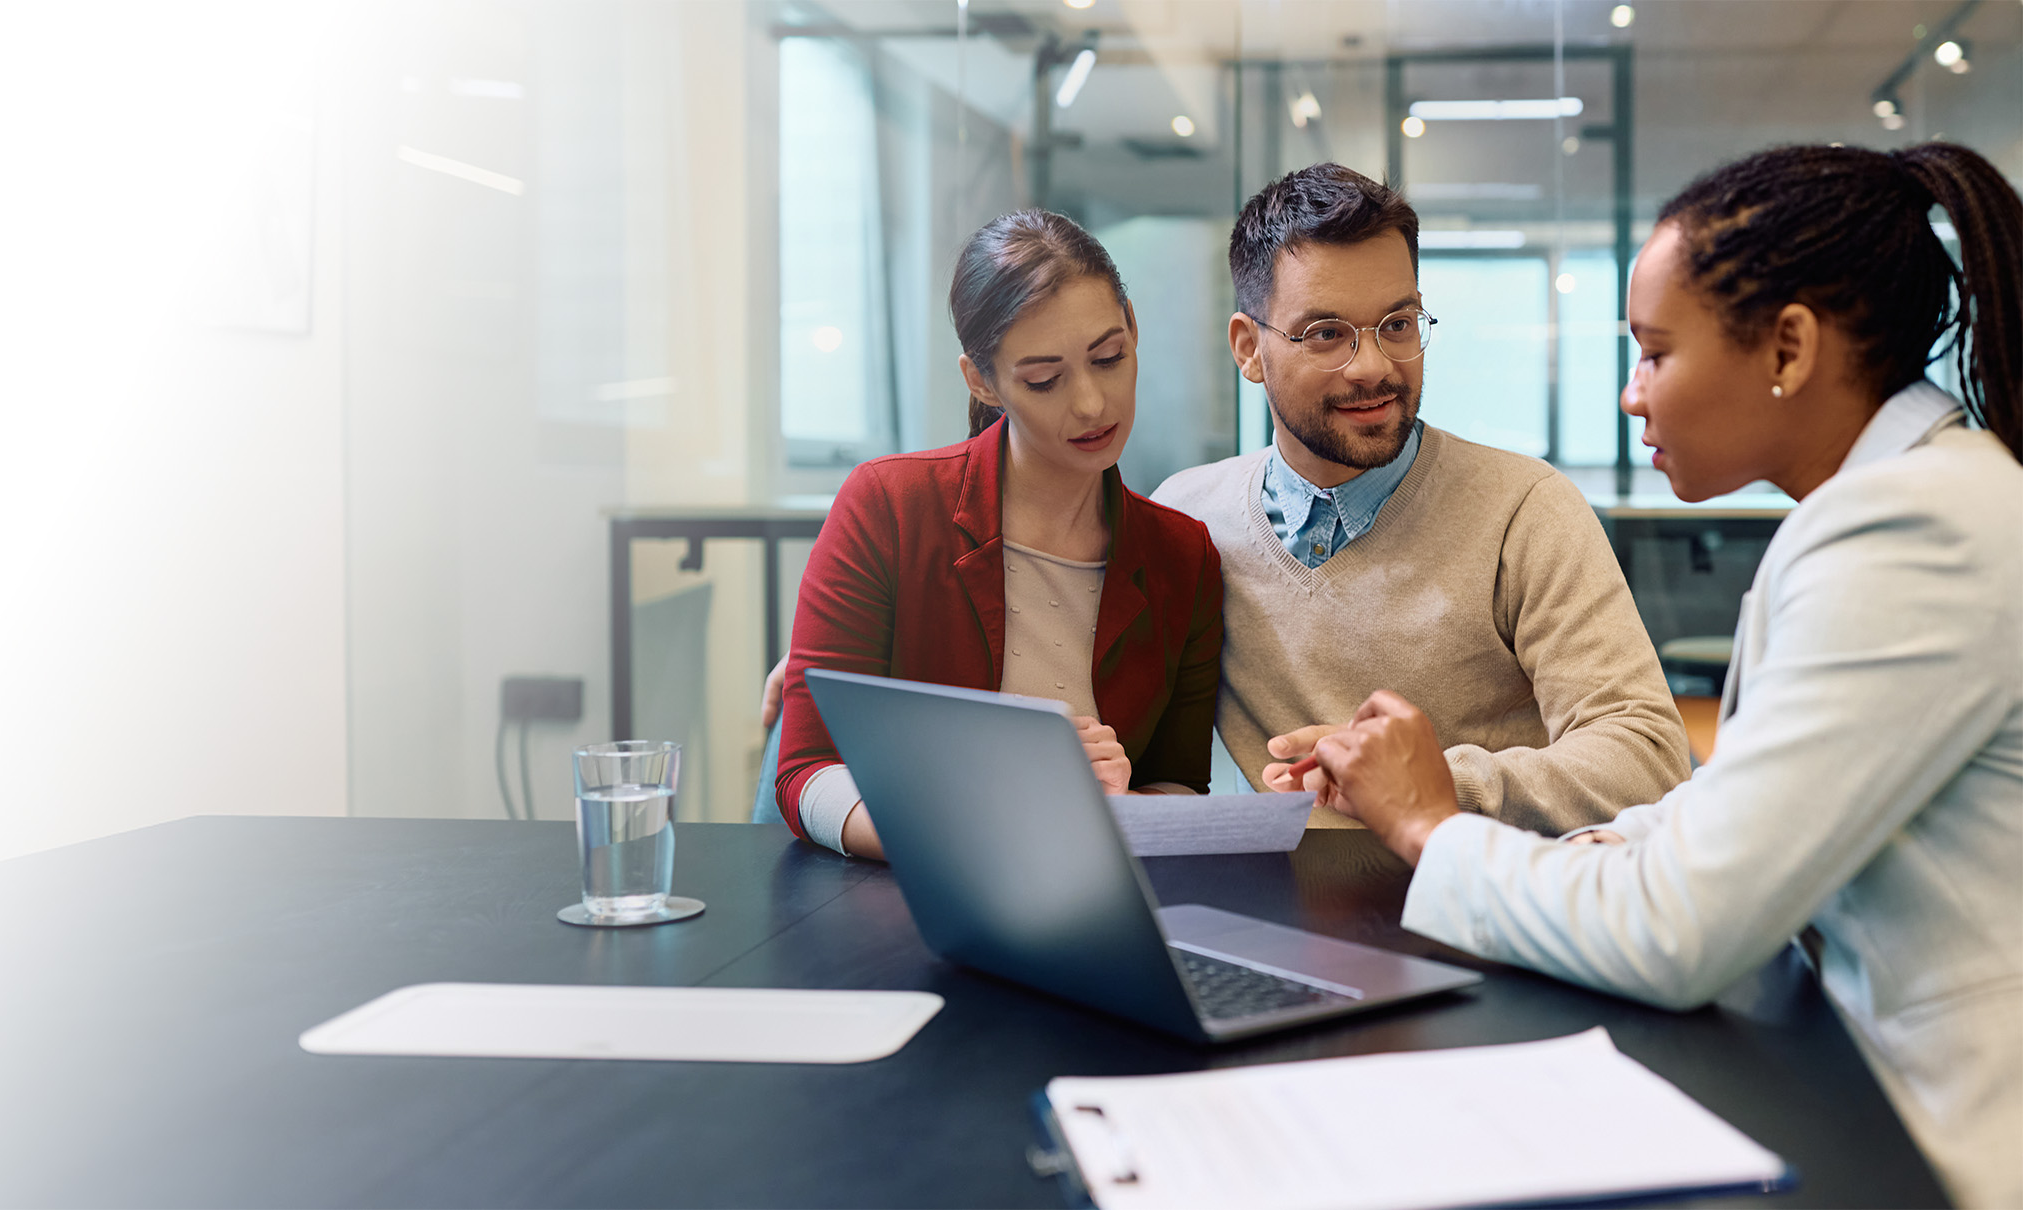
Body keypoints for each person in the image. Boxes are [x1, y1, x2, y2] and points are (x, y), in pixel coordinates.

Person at [1309, 143, 2023, 1208]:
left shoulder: (1914, 528)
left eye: (1654, 354)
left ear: (1788, 346)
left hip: (1941, 1142)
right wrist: (1597, 849)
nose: (1633, 395)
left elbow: (1679, 929)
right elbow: (1741, 814)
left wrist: (1429, 827)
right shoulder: (1899, 503)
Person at [1150, 164, 1688, 833]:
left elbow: (1648, 758)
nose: (1373, 366)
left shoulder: (1526, 510)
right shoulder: (1187, 517)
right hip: (1268, 915)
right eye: (1326, 334)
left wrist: (1428, 781)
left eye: (1398, 324)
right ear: (1248, 349)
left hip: (1470, 913)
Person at [766, 210, 1224, 860]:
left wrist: (1118, 807)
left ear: (1133, 329)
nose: (1092, 403)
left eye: (1109, 357)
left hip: (1093, 899)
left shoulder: (1185, 557)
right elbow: (806, 773)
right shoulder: (890, 507)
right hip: (907, 902)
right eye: (1044, 379)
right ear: (982, 380)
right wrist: (973, 824)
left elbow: (1178, 784)